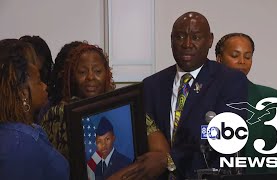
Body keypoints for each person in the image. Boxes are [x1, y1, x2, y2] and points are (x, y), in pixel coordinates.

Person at [142, 12, 248, 179]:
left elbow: (224, 136)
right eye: (179, 37)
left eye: (196, 37)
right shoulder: (151, 85)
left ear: (210, 40)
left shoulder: (231, 81)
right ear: (171, 40)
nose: (187, 44)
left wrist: (169, 160)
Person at [40, 42, 170, 177]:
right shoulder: (56, 115)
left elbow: (161, 152)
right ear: (72, 76)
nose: (90, 77)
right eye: (82, 72)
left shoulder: (127, 105)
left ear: (107, 74)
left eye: (97, 71)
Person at [215, 32, 277, 174]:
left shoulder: (270, 97)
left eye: (248, 56)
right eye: (235, 56)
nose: (242, 61)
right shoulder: (203, 96)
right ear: (219, 59)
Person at [0, 39, 69, 180]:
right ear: (24, 94)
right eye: (38, 82)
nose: (44, 86)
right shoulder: (21, 144)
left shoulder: (25, 132)